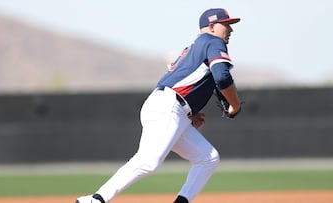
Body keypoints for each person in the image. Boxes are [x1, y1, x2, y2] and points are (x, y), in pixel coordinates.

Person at [76, 8, 242, 203]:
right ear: (212, 27)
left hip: (169, 106)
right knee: (148, 162)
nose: (230, 30)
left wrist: (189, 113)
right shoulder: (214, 41)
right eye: (227, 25)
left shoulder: (194, 47)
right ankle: (95, 200)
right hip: (169, 106)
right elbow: (222, 77)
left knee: (208, 158)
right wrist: (235, 105)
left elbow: (181, 77)